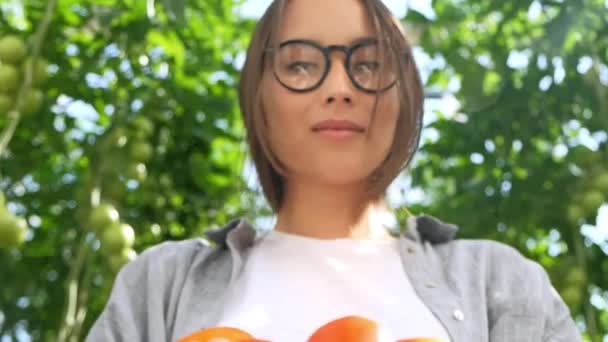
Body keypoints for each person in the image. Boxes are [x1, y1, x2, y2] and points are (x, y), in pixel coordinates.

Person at [85, 0, 583, 341]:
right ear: (258, 95)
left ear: (405, 96)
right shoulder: (159, 284)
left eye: (368, 65)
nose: (339, 87)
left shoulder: (502, 283)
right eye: (300, 65)